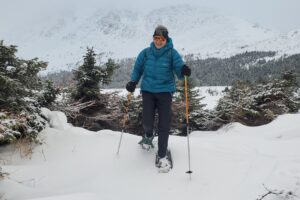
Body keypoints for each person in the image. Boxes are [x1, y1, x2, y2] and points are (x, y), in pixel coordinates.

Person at [126, 25, 191, 172]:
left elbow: (179, 69)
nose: (158, 41)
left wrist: (183, 70)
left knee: (164, 124)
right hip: (148, 91)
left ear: (166, 39)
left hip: (165, 92)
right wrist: (133, 81)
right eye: (156, 38)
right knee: (147, 121)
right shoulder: (146, 53)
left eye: (161, 39)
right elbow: (138, 69)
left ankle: (162, 155)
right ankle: (148, 136)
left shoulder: (171, 54)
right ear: (153, 38)